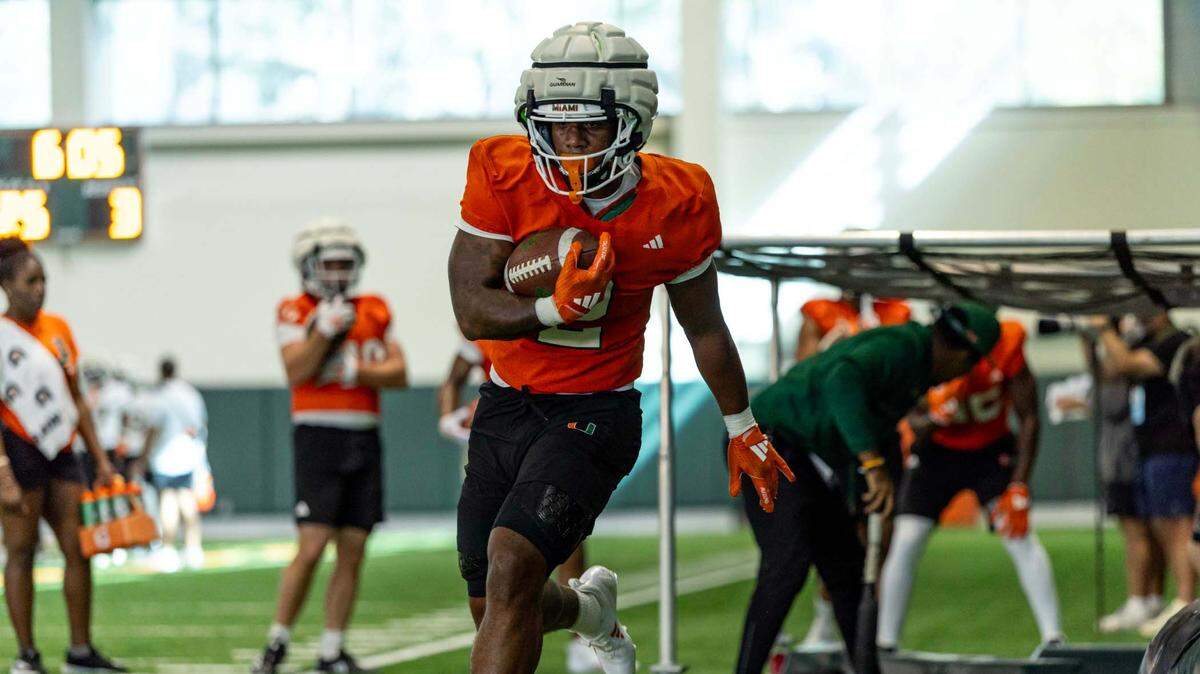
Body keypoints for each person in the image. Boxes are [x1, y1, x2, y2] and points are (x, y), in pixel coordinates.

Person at [449, 22, 792, 674]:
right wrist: (553, 307)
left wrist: (742, 427)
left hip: (595, 411)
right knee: (494, 601)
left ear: (632, 122)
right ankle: (590, 615)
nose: (570, 142)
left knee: (511, 565)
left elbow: (706, 328)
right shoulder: (500, 171)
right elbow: (470, 308)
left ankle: (582, 614)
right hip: (504, 405)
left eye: (590, 127)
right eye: (555, 126)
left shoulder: (676, 200)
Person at [734, 301, 1000, 674]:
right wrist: (873, 465)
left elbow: (879, 428)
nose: (965, 373)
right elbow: (842, 381)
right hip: (770, 443)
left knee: (848, 571)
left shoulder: (916, 365)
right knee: (788, 563)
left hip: (808, 455)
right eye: (970, 364)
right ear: (960, 352)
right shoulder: (903, 348)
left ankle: (866, 669)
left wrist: (868, 491)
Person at [254, 220, 409, 674]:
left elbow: (399, 372)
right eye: (330, 263)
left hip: (363, 432)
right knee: (313, 543)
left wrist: (349, 372)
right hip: (317, 434)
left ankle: (331, 648)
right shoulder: (294, 310)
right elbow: (296, 371)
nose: (339, 272)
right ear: (308, 266)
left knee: (355, 546)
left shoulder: (374, 307)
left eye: (346, 263)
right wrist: (322, 334)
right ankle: (277, 641)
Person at [877, 320, 1064, 649]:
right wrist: (934, 419)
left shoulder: (1007, 343)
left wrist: (1019, 486)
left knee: (1018, 535)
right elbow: (910, 419)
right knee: (908, 538)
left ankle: (1053, 636)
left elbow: (1030, 416)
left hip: (990, 452)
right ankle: (886, 641)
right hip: (937, 454)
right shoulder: (924, 349)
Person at [0, 237, 126, 673]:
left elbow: (76, 398)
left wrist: (102, 459)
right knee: (21, 550)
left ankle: (80, 651)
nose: (40, 289)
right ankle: (27, 655)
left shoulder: (59, 329)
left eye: (44, 280)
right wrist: (3, 473)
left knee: (79, 547)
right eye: (30, 281)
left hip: (63, 449)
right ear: (7, 285)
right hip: (19, 449)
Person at [438, 341, 601, 672]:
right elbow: (453, 379)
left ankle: (580, 639)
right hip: (496, 438)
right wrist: (450, 418)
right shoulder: (485, 332)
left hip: (555, 432)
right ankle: (585, 616)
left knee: (561, 536)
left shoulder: (557, 326)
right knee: (485, 570)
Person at [793, 292, 911, 648]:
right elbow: (805, 373)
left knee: (883, 537)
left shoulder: (895, 312)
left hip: (880, 435)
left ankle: (875, 629)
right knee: (839, 536)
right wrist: (832, 346)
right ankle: (828, 618)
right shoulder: (821, 313)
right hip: (836, 441)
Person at [1091, 310, 1197, 637]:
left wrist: (1105, 327)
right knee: (1164, 527)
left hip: (1173, 448)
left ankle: (1185, 598)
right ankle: (1175, 599)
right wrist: (1094, 339)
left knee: (1179, 528)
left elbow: (1125, 364)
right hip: (1152, 449)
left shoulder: (1174, 341)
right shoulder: (1145, 342)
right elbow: (1109, 371)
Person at [1079, 319, 1168, 633]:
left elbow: (1113, 375)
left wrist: (1103, 331)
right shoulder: (1124, 358)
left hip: (1124, 459)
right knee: (1146, 533)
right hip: (1129, 456)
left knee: (1137, 533)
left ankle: (1139, 599)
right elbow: (1101, 372)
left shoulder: (1131, 358)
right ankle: (1149, 598)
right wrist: (1086, 338)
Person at [138, 356, 208, 573]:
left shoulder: (161, 396)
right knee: (187, 499)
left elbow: (154, 427)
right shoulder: (191, 394)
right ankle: (193, 548)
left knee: (168, 501)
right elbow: (200, 424)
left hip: (166, 455)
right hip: (189, 452)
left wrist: (143, 456)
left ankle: (168, 549)